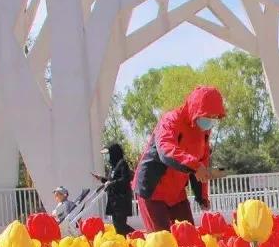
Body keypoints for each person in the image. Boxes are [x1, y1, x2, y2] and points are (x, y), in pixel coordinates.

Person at [133, 86, 227, 232]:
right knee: (162, 242)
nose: (211, 121)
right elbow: (167, 150)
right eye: (208, 116)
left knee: (189, 239)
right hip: (152, 190)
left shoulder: (204, 131)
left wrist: (202, 196)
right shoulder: (170, 121)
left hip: (176, 194)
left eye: (214, 117)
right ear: (197, 109)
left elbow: (203, 162)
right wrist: (195, 166)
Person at [93, 142, 133, 235]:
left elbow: (125, 179)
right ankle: (129, 239)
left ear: (113, 152)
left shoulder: (122, 164)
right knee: (117, 225)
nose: (106, 156)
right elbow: (111, 181)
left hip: (121, 200)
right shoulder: (113, 167)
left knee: (120, 226)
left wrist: (111, 183)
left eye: (108, 153)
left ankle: (136, 236)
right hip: (114, 201)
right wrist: (102, 179)